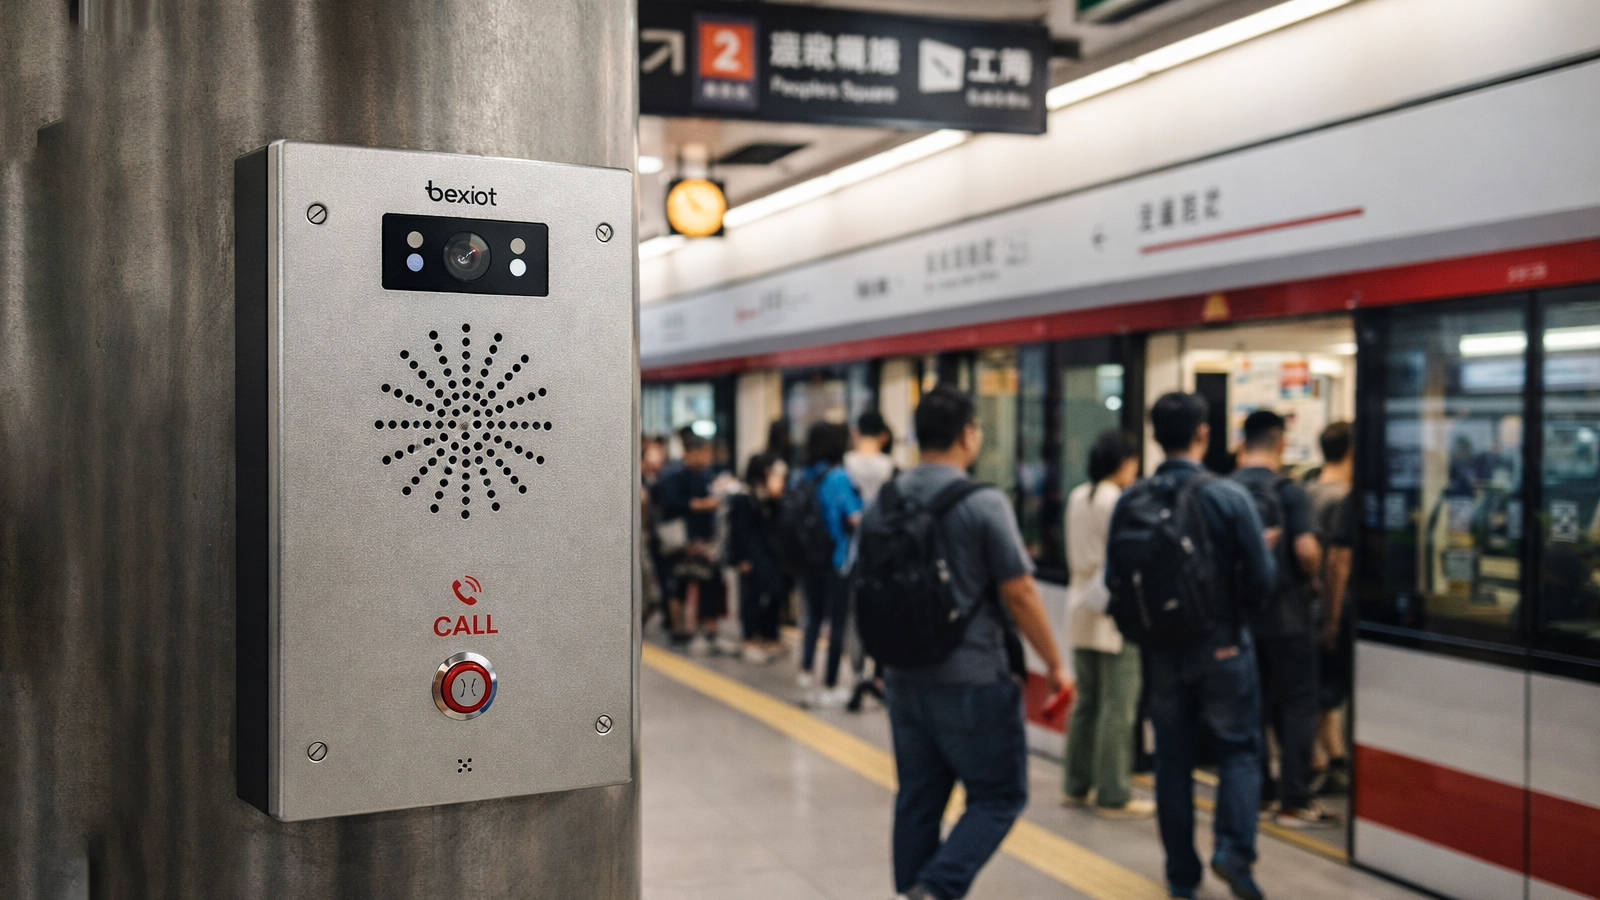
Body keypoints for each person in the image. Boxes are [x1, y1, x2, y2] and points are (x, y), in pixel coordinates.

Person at [878, 385, 1070, 900]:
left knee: (918, 798)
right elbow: (1022, 592)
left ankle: (913, 892)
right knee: (999, 796)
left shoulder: (887, 498)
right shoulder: (982, 502)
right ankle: (936, 890)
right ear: (967, 434)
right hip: (972, 678)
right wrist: (1054, 664)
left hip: (903, 677)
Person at [1106, 392, 1274, 900]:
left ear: (1155, 438)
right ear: (1204, 434)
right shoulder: (1227, 497)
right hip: (1222, 646)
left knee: (1172, 761)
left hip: (1161, 652)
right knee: (1240, 751)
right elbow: (1263, 579)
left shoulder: (1130, 500)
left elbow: (1117, 580)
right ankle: (1233, 850)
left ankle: (1182, 875)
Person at [1232, 410, 1334, 830]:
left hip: (1241, 620)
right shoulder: (1290, 491)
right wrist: (1312, 580)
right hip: (1288, 617)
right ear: (1281, 444)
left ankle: (1255, 794)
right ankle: (1294, 799)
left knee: (1252, 705)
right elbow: (1308, 549)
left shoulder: (1226, 490)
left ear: (1243, 443)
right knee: (1298, 704)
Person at [1062, 430, 1153, 819]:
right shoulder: (1117, 500)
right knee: (1118, 704)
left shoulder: (1077, 496)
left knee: (1087, 702)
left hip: (1079, 602)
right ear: (1124, 463)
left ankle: (1076, 784)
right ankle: (1113, 792)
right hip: (1111, 609)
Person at [797, 421, 863, 706]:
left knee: (812, 616)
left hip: (807, 559)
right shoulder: (838, 476)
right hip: (837, 558)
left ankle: (806, 672)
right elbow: (853, 516)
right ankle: (831, 683)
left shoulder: (803, 475)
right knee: (837, 622)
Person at [1306, 422, 1353, 796]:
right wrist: (1334, 619)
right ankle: (1329, 762)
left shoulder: (1307, 489)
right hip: (1331, 608)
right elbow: (1339, 561)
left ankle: (1328, 758)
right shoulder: (1344, 498)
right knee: (1328, 691)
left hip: (1307, 605)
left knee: (1320, 690)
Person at [653, 432, 727, 654]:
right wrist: (701, 505)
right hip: (677, 539)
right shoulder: (673, 474)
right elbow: (670, 504)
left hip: (700, 538)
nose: (707, 458)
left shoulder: (705, 475)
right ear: (691, 452)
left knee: (707, 580)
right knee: (679, 584)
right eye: (703, 453)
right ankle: (678, 630)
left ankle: (705, 629)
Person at [845, 410, 896, 711]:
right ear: (883, 435)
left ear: (856, 432)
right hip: (884, 551)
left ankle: (855, 673)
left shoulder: (845, 465)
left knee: (856, 614)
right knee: (885, 612)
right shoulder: (891, 468)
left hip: (852, 552)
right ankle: (881, 675)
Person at [727, 453, 789, 664]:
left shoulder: (769, 499)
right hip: (752, 556)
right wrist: (742, 558)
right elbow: (738, 531)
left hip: (769, 554)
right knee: (751, 597)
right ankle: (750, 639)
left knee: (773, 593)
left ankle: (768, 636)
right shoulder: (743, 497)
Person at [845, 410, 896, 505]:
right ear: (883, 435)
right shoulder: (891, 465)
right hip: (881, 517)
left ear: (856, 432)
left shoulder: (845, 462)